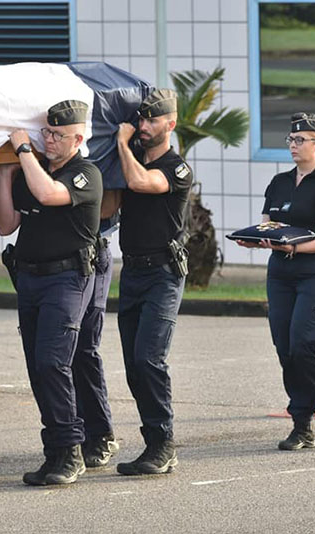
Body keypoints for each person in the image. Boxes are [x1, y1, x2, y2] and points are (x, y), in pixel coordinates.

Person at [0, 100, 103, 486]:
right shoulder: (30, 174)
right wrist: (5, 177)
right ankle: (55, 450)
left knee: (53, 364)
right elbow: (6, 225)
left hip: (67, 279)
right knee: (37, 369)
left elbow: (49, 195)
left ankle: (72, 451)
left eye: (57, 134)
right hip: (31, 279)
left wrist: (23, 149)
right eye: (46, 133)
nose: (49, 139)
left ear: (77, 138)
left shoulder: (85, 173)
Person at [235, 112, 315, 451]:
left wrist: (291, 246)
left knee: (307, 343)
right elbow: (268, 224)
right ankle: (302, 424)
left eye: (301, 140)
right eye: (291, 140)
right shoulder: (279, 183)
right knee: (285, 347)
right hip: (282, 271)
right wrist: (255, 239)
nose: (293, 145)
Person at [114, 88, 193, 475]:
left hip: (163, 273)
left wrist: (120, 145)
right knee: (133, 364)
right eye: (140, 120)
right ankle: (152, 443)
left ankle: (163, 444)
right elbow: (115, 200)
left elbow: (143, 183)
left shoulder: (178, 168)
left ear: (170, 124)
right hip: (132, 272)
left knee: (149, 359)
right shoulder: (130, 163)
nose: (143, 127)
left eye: (151, 120)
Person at [73, 194, 121, 469]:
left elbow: (109, 206)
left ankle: (100, 433)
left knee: (84, 349)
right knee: (59, 355)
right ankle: (74, 434)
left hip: (91, 251)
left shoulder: (106, 151)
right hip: (55, 254)